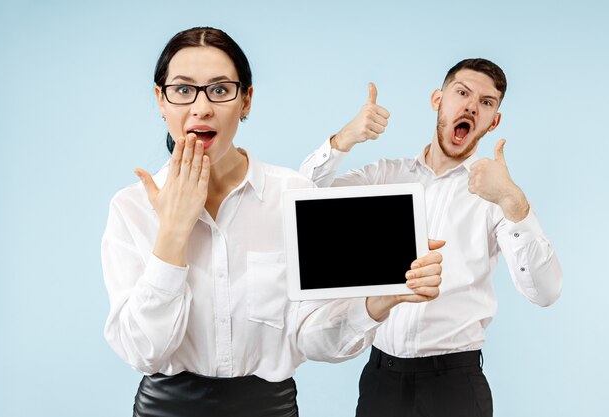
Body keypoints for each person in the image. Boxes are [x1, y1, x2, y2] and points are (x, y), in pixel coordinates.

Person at [102, 27, 444, 417]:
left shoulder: (292, 194)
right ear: (160, 101)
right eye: (183, 90)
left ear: (246, 101)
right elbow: (142, 352)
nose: (200, 108)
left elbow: (313, 339)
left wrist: (384, 298)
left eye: (219, 89)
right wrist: (173, 235)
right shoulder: (130, 208)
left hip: (269, 408)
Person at [300, 58, 563, 417]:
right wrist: (343, 139)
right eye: (462, 92)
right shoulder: (385, 176)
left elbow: (545, 292)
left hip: (455, 384)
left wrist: (513, 202)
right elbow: (301, 202)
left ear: (493, 121)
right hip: (381, 379)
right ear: (437, 99)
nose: (472, 105)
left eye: (486, 103)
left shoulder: (496, 193)